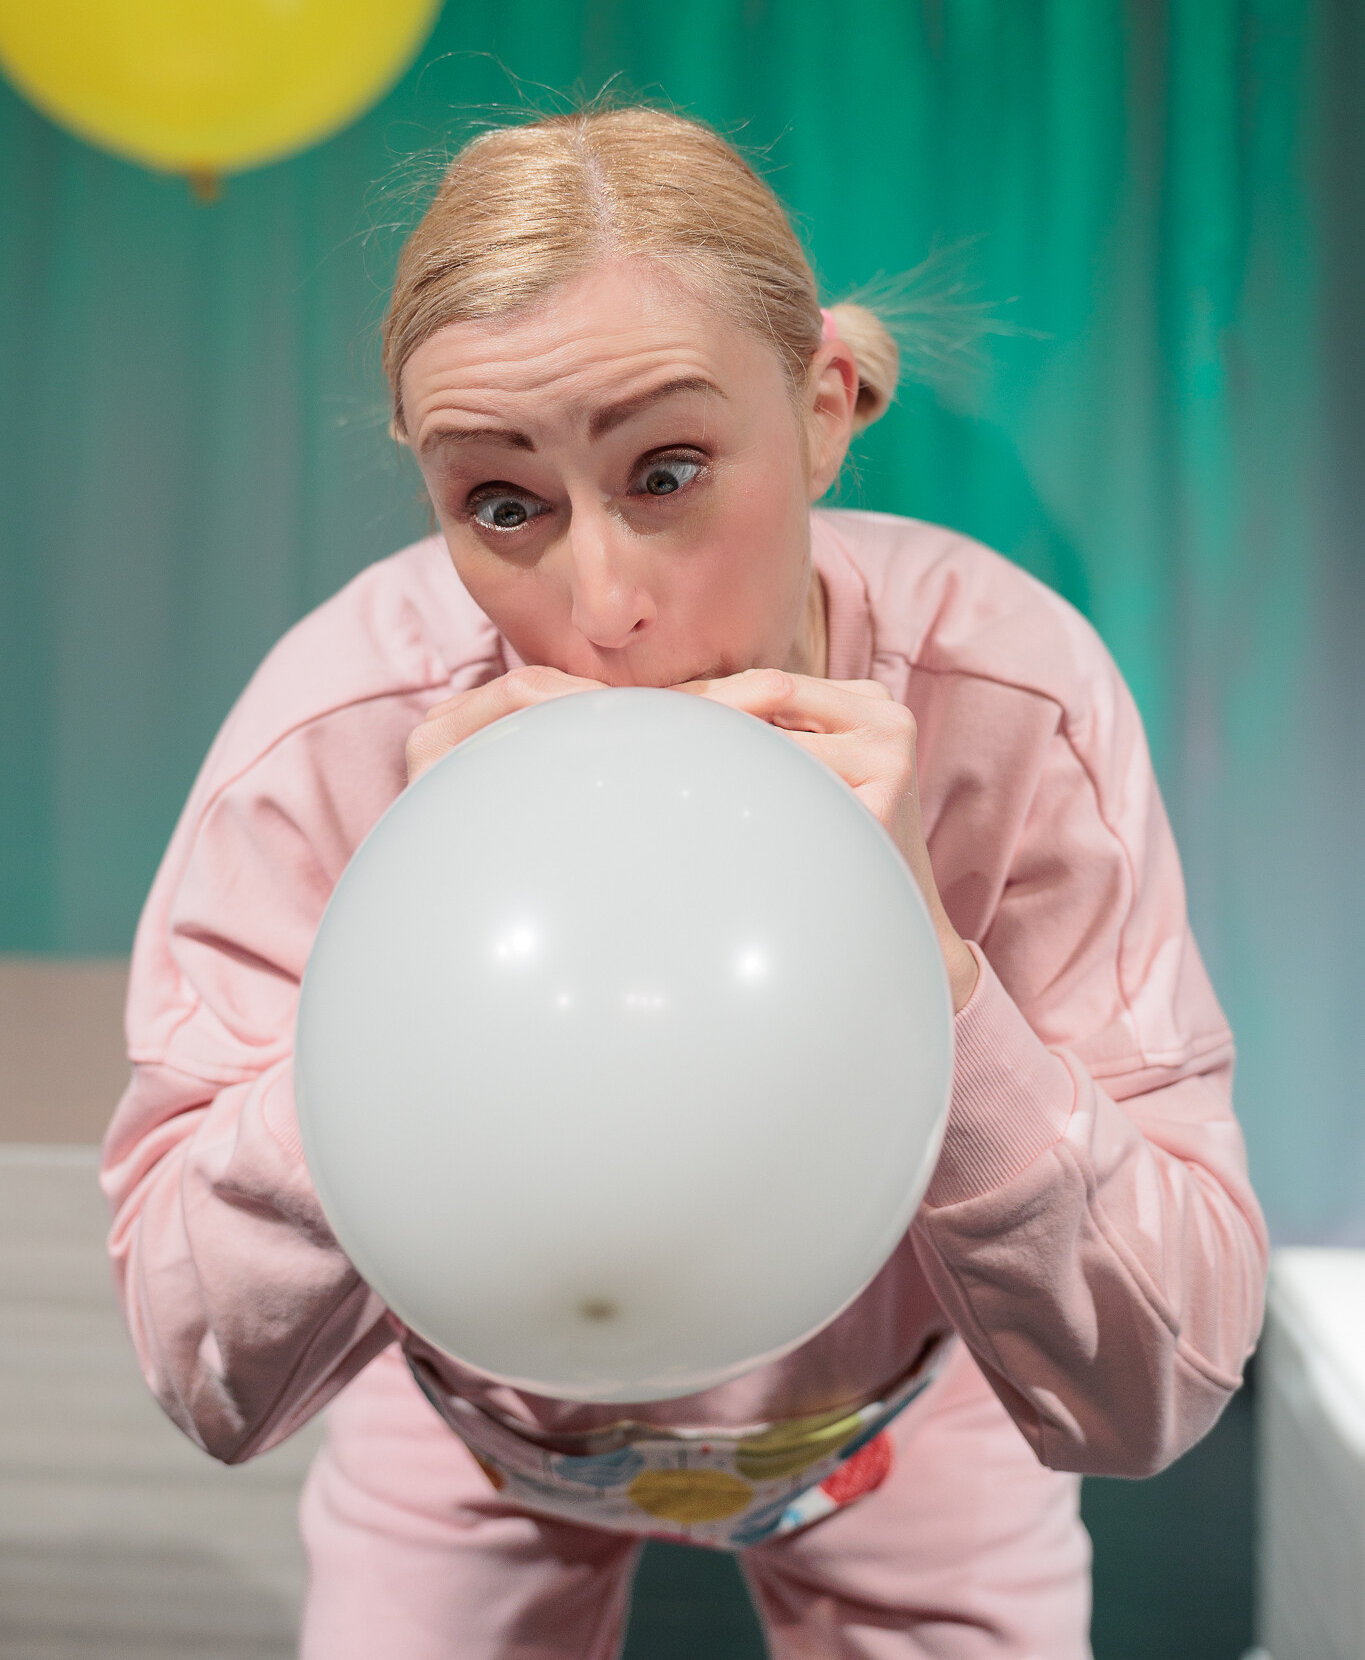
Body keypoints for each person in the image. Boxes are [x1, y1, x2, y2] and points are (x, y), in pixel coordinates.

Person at [101, 104, 1268, 1658]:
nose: (603, 607)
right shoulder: (339, 726)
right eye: (501, 504)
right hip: (469, 1428)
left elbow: (1157, 1387)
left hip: (900, 1418)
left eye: (666, 471)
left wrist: (938, 977)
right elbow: (202, 1376)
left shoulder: (1008, 695)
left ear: (825, 408)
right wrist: (390, 987)